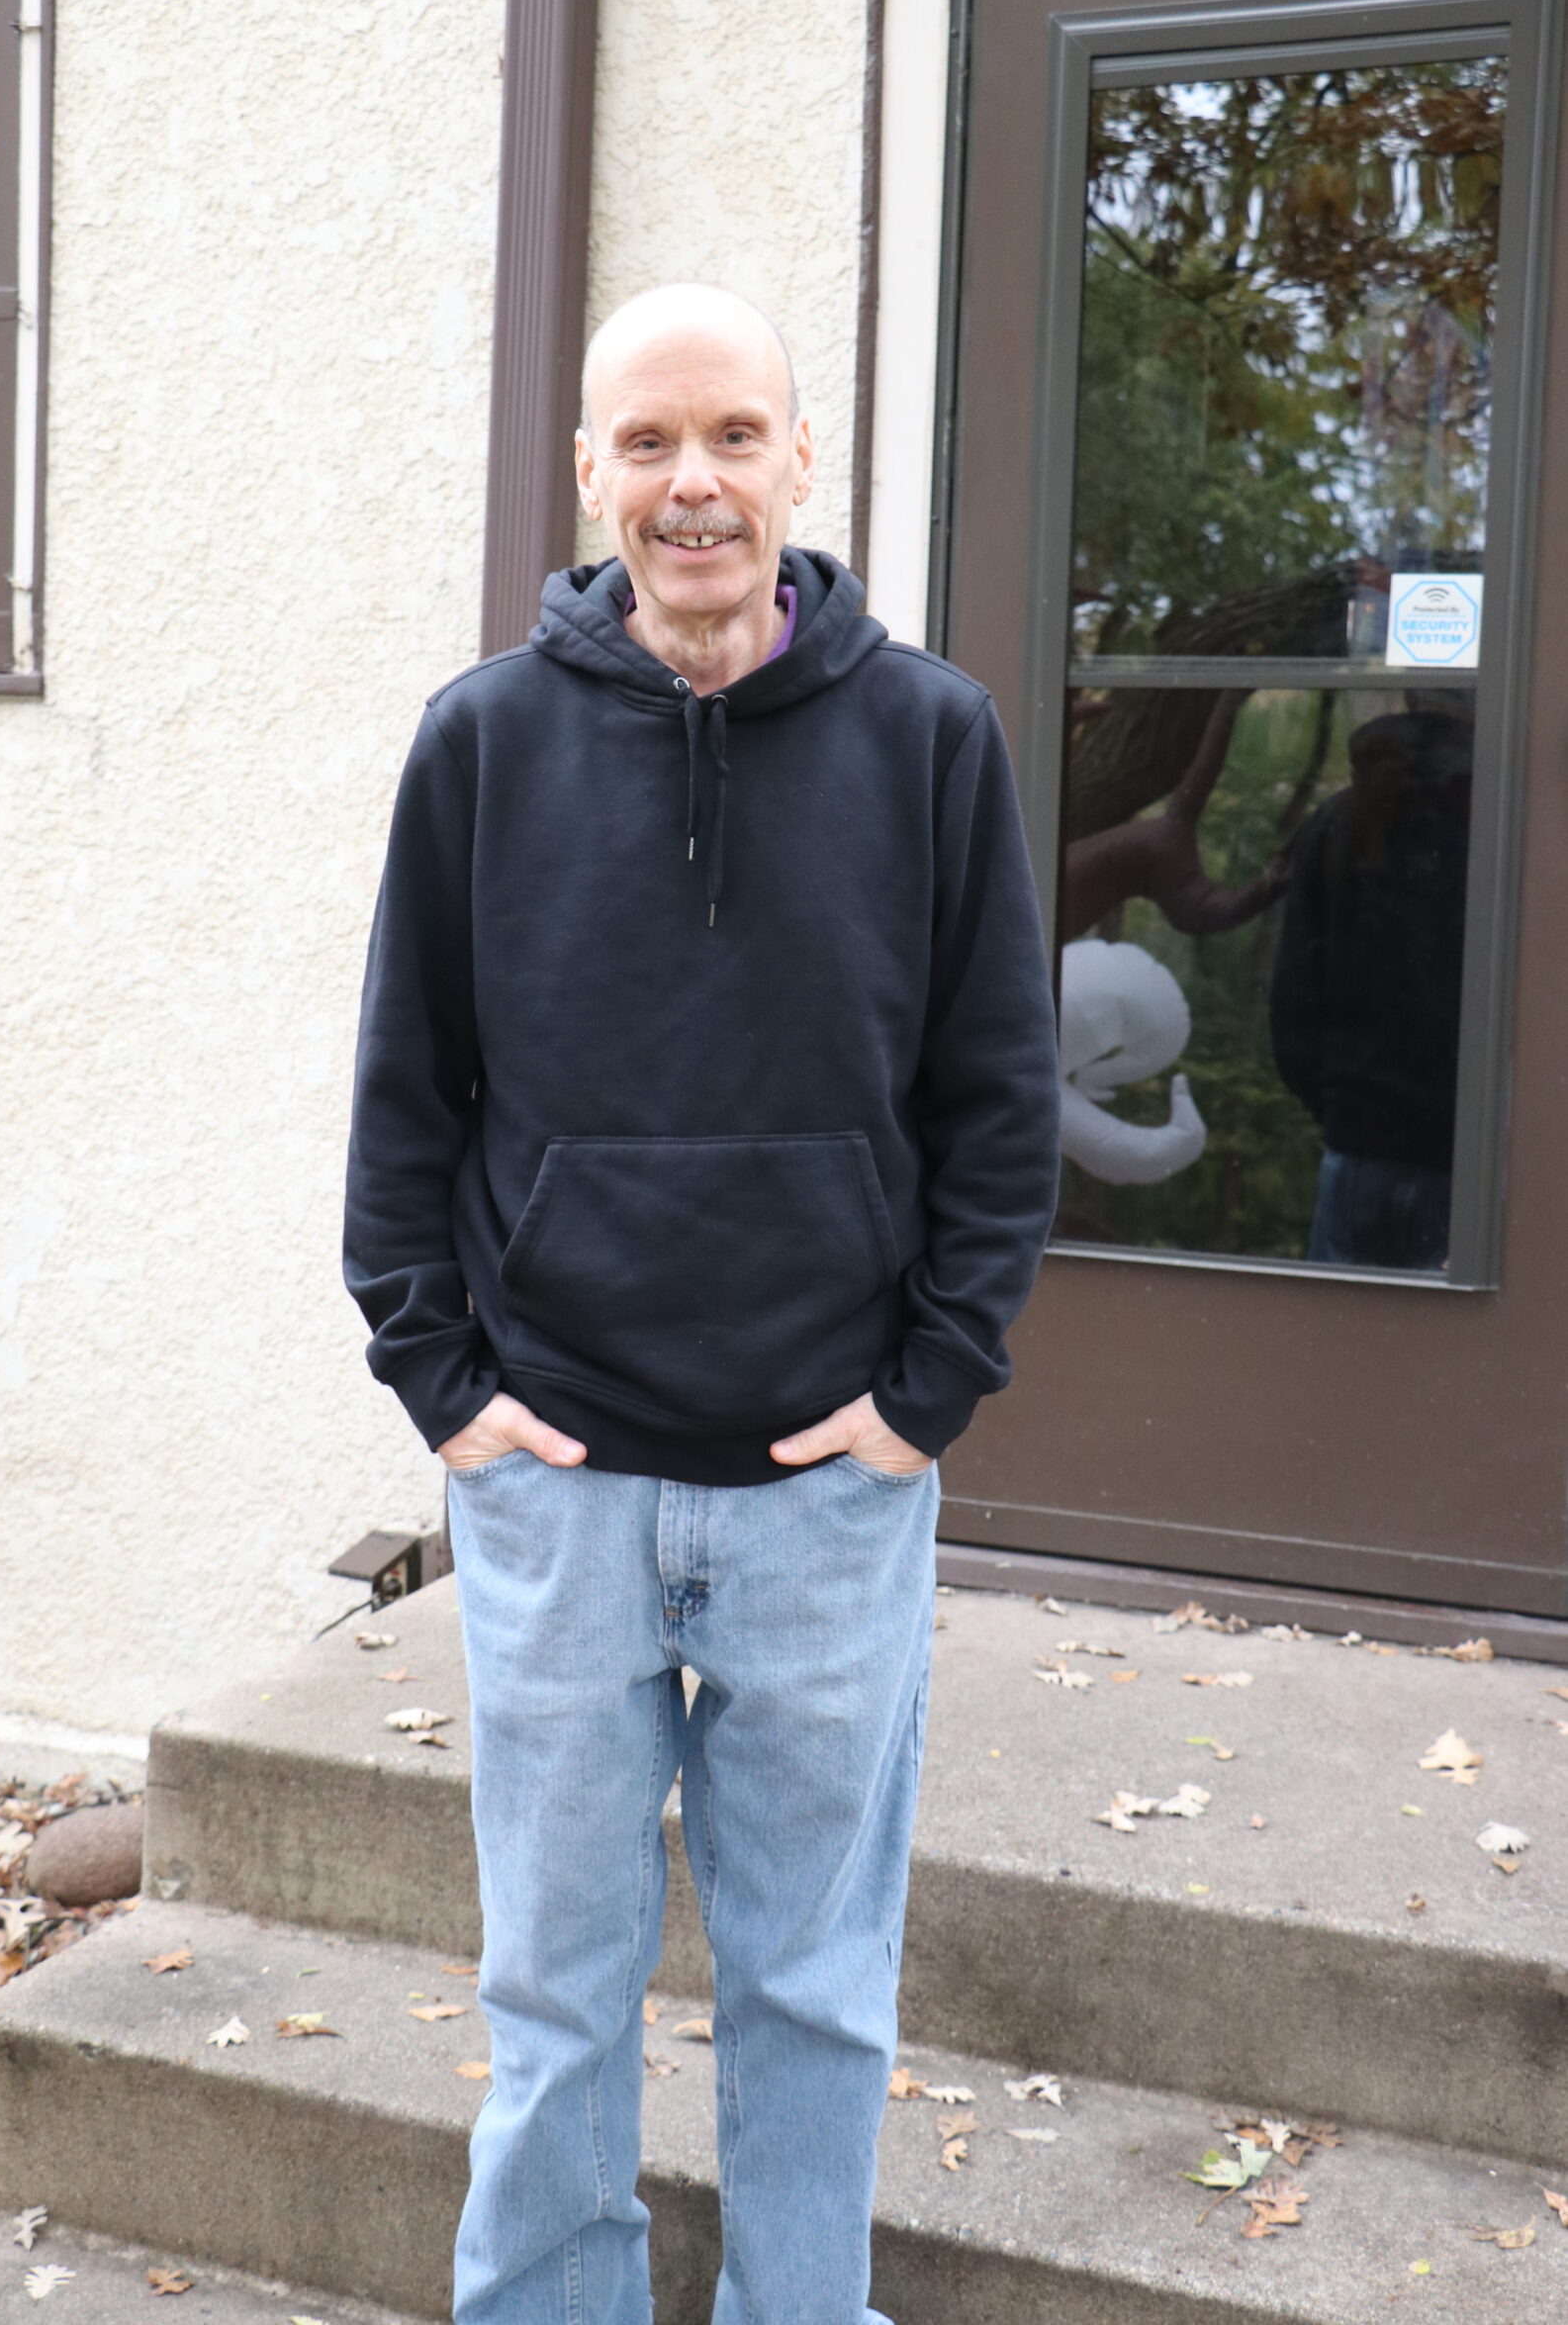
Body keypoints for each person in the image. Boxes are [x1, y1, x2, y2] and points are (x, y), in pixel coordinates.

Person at [343, 282, 1061, 2325]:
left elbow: (996, 1098)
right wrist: (444, 1382)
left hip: (823, 1486)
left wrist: (926, 1391)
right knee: (557, 1996)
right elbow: (409, 1092)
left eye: (731, 436)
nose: (691, 484)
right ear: (587, 470)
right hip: (555, 1480)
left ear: (797, 461)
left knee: (812, 1990)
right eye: (647, 443)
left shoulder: (929, 735)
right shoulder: (480, 738)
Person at [1269, 700, 1474, 1270]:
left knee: (1339, 1339)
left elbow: (1295, 994)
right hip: (1451, 1145)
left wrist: (1342, 1105)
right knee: (1446, 1343)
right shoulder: (1491, 824)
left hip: (1360, 1136)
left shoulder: (1335, 824)